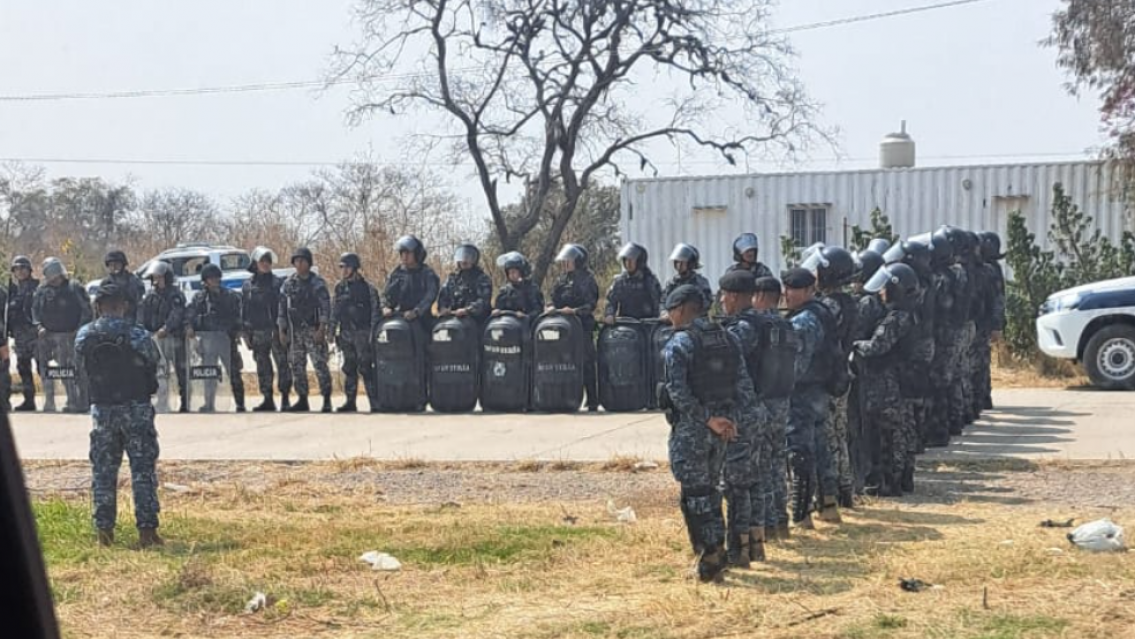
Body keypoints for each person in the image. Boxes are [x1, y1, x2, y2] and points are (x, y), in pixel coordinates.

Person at [659, 284, 760, 582]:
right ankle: (716, 553)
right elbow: (744, 386)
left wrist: (707, 419)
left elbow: (677, 391)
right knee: (711, 489)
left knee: (696, 494)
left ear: (680, 310)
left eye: (671, 311)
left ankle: (710, 557)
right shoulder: (729, 338)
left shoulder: (680, 343)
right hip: (722, 430)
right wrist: (730, 421)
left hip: (694, 428)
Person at [75, 282, 162, 548]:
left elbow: (80, 364)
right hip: (136, 409)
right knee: (142, 472)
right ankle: (147, 532)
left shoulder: (85, 335)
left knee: (103, 472)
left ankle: (104, 534)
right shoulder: (138, 335)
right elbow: (154, 360)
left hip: (103, 411)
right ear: (124, 305)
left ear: (98, 306)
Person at [716, 269, 771, 565]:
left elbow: (722, 360)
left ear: (735, 296)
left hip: (741, 411)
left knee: (736, 484)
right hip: (759, 408)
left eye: (724, 295)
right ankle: (756, 544)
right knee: (754, 480)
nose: (722, 301)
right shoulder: (764, 322)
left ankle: (739, 550)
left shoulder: (742, 330)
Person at [853, 263, 920, 496]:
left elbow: (876, 347)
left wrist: (855, 345)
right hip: (904, 381)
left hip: (888, 384)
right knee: (905, 430)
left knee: (888, 432)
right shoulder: (912, 314)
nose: (881, 292)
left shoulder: (895, 319)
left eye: (885, 288)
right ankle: (904, 478)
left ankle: (889, 482)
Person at [783, 267, 840, 528]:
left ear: (808, 290)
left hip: (803, 393)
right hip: (819, 390)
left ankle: (802, 513)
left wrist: (780, 386)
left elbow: (797, 365)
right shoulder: (822, 311)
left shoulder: (803, 321)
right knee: (820, 446)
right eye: (786, 288)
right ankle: (828, 505)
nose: (788, 294)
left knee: (800, 452)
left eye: (794, 289)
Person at [804, 246, 858, 509]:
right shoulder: (849, 302)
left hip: (829, 377)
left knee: (827, 435)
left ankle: (831, 490)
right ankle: (845, 487)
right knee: (839, 432)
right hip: (842, 373)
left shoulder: (830, 305)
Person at [750, 276, 796, 540]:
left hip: (762, 400)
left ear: (759, 296)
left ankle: (767, 522)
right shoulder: (787, 325)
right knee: (778, 462)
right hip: (783, 398)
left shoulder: (755, 326)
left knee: (762, 464)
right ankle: (781, 519)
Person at [32, 258, 92, 413]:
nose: (55, 279)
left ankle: (78, 402)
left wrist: (79, 330)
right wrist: (39, 326)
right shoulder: (42, 290)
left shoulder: (74, 287)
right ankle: (49, 402)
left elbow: (87, 310)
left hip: (71, 336)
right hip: (47, 337)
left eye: (57, 275)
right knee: (47, 370)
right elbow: (35, 311)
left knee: (73, 370)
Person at [279, 248, 333, 413]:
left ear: (309, 263)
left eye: (302, 261)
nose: (299, 264)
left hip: (313, 330)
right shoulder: (289, 283)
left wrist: (322, 329)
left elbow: (325, 307)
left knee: (320, 365)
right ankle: (302, 399)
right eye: (296, 261)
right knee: (297, 366)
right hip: (295, 332)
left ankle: (326, 399)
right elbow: (282, 308)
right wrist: (282, 330)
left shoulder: (317, 283)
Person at [548, 244, 600, 412]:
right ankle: (565, 397)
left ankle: (592, 399)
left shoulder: (587, 279)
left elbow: (591, 304)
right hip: (563, 328)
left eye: (569, 260)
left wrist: (575, 311)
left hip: (582, 326)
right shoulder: (562, 279)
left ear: (578, 260)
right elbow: (553, 298)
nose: (565, 263)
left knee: (586, 362)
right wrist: (550, 307)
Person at [186, 264, 245, 413]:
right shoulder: (199, 298)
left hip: (227, 340)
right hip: (208, 342)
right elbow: (190, 315)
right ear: (205, 281)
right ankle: (209, 403)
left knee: (234, 373)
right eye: (211, 279)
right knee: (209, 373)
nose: (214, 281)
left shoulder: (230, 296)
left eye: (216, 278)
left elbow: (238, 316)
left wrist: (238, 331)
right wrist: (190, 327)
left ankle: (240, 403)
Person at [241, 247, 291, 412]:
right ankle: (267, 399)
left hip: (275, 331)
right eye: (262, 261)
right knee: (262, 366)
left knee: (282, 364)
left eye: (268, 261)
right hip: (257, 332)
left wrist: (283, 330)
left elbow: (284, 308)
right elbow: (245, 310)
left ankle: (285, 399)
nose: (266, 264)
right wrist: (246, 333)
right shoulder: (248, 285)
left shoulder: (278, 284)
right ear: (255, 263)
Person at [331, 253, 382, 413]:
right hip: (346, 333)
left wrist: (372, 334)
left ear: (355, 268)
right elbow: (335, 311)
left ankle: (375, 402)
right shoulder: (339, 288)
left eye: (347, 267)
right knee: (349, 368)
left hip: (363, 333)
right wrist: (331, 331)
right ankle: (350, 402)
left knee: (366, 367)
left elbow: (375, 313)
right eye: (342, 267)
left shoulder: (368, 288)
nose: (344, 270)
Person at [139, 261, 188, 413]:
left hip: (174, 338)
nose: (156, 281)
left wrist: (166, 328)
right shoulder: (150, 296)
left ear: (167, 277)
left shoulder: (175, 295)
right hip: (156, 340)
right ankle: (162, 402)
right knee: (160, 372)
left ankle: (185, 402)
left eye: (159, 277)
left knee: (181, 371)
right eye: (154, 277)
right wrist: (143, 330)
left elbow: (177, 314)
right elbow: (143, 315)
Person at [382, 235, 440, 328]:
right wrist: (385, 307)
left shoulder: (427, 273)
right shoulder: (397, 273)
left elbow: (430, 296)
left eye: (408, 253)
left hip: (422, 321)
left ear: (417, 254)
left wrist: (416, 311)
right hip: (399, 318)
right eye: (402, 253)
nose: (404, 256)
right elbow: (387, 293)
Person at [977, 231, 1006, 412]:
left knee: (980, 362)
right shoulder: (987, 268)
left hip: (983, 322)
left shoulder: (991, 270)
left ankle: (982, 397)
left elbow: (997, 300)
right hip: (981, 321)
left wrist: (996, 326)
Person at [8, 256, 40, 411]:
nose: (20, 271)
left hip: (36, 333)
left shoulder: (38, 288)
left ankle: (61, 397)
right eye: (17, 269)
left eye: (23, 268)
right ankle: (29, 400)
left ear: (29, 270)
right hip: (20, 334)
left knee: (43, 367)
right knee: (23, 368)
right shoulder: (12, 291)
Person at [603, 242, 662, 323]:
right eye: (626, 260)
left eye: (631, 260)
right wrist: (609, 314)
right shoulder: (620, 281)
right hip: (626, 324)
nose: (628, 263)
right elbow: (611, 301)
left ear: (639, 261)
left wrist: (661, 316)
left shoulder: (649, 280)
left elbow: (659, 303)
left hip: (647, 324)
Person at [437, 243, 493, 325]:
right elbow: (443, 295)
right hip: (452, 318)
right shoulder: (452, 278)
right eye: (462, 256)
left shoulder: (482, 278)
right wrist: (443, 308)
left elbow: (484, 301)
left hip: (475, 319)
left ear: (474, 260)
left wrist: (467, 310)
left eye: (467, 257)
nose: (464, 260)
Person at [661, 243, 713, 314]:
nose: (679, 265)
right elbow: (663, 301)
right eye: (677, 262)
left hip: (695, 318)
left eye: (682, 262)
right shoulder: (672, 283)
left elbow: (706, 304)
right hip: (674, 317)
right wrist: (664, 312)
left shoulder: (700, 282)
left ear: (690, 263)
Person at [493, 251, 544, 319]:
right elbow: (498, 307)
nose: (512, 275)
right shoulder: (505, 291)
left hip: (528, 323)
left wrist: (526, 316)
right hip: (508, 322)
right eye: (509, 272)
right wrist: (497, 311)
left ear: (521, 272)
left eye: (514, 272)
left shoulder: (532, 288)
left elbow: (539, 310)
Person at [101, 250, 146, 324]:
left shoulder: (133, 281)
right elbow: (99, 305)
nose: (114, 267)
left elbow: (140, 304)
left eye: (117, 264)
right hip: (109, 321)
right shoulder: (106, 283)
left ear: (123, 265)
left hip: (130, 320)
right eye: (111, 265)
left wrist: (139, 324)